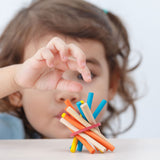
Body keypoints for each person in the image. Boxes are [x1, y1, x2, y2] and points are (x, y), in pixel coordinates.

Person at [0, 0, 139, 139]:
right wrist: (14, 79)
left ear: (112, 86)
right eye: (44, 73)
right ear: (16, 94)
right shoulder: (6, 135)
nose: (67, 94)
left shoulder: (111, 151)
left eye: (83, 75)